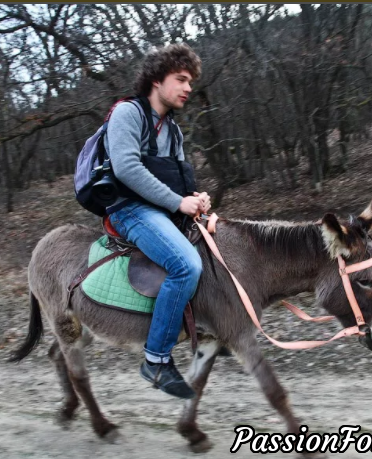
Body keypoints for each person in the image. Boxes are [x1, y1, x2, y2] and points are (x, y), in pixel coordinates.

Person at [104, 43, 211, 399]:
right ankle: (156, 360)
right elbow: (126, 168)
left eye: (190, 81)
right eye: (181, 79)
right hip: (130, 210)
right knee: (186, 265)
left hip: (163, 210)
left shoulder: (174, 130)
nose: (188, 88)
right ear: (156, 80)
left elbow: (179, 181)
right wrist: (179, 202)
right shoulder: (127, 113)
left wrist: (197, 200)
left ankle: (209, 328)